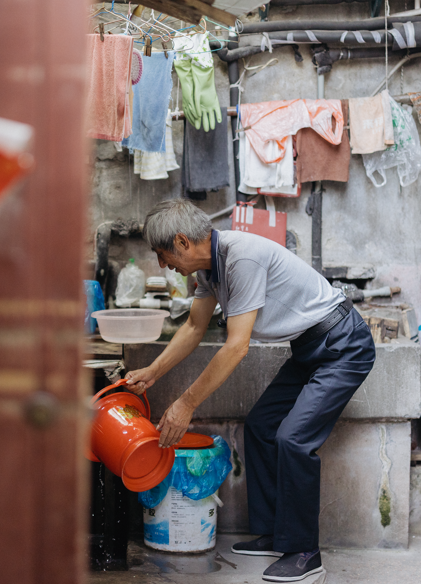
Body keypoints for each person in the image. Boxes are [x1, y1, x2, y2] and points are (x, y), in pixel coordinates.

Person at [124, 198, 375, 582]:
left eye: (162, 255)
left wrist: (186, 403)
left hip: (343, 345)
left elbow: (237, 346)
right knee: (261, 425)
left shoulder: (241, 257)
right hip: (309, 348)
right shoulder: (210, 271)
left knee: (293, 439)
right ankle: (278, 534)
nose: (163, 266)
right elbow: (193, 327)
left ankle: (306, 554)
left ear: (182, 242)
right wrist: (153, 372)